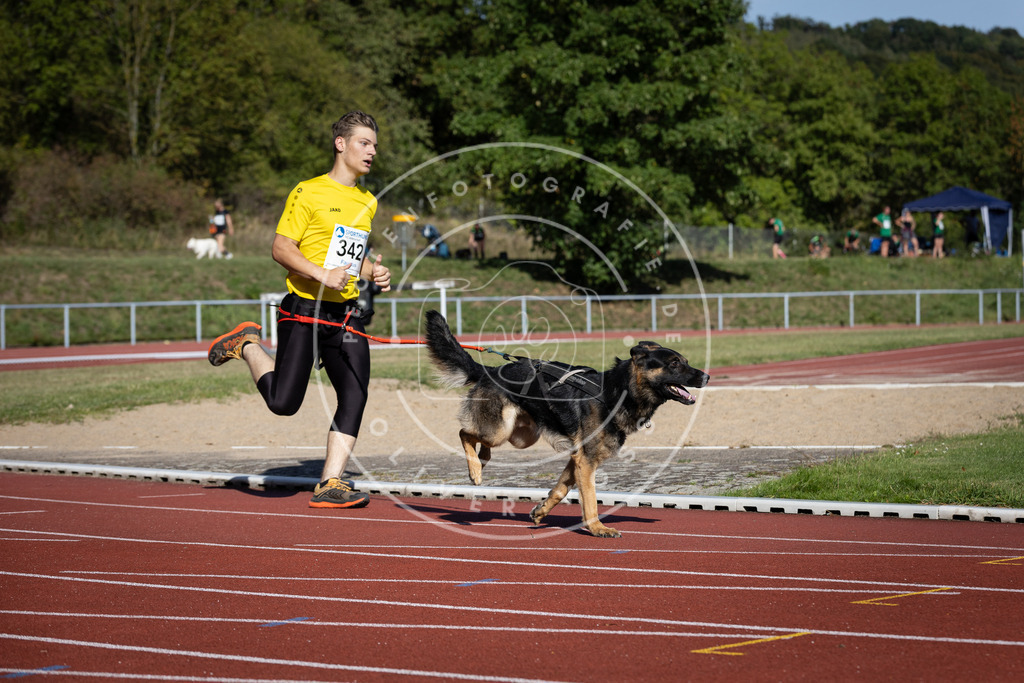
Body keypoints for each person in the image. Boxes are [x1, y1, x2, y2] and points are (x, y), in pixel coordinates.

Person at [207, 111, 392, 509]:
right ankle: (247, 345)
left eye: (375, 145)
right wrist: (321, 274)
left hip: (344, 315)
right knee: (283, 403)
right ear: (340, 144)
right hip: (303, 310)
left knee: (355, 393)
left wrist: (372, 271)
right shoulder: (308, 192)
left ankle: (330, 483)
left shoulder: (367, 201)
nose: (372, 151)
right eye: (364, 143)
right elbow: (281, 248)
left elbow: (349, 258)